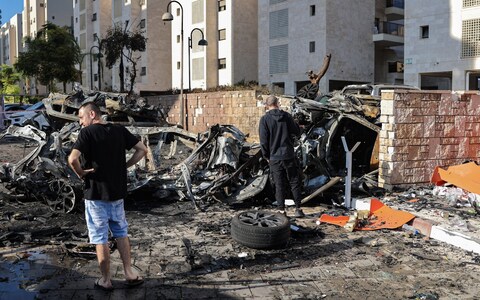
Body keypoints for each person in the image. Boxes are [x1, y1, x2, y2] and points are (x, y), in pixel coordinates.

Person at [68, 102, 147, 291]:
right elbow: (143, 150)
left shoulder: (87, 133)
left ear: (92, 114)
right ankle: (129, 273)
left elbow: (72, 158)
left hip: (95, 195)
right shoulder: (119, 130)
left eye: (81, 117)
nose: (80, 122)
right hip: (117, 194)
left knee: (100, 237)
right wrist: (125, 166)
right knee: (121, 232)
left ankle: (105, 280)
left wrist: (80, 173)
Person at [259, 95, 305, 218]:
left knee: (279, 184)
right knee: (294, 181)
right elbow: (296, 131)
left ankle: (281, 211)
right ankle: (298, 209)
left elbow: (263, 140)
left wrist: (266, 156)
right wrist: (301, 128)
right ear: (278, 103)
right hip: (289, 155)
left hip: (274, 157)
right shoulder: (287, 116)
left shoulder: (264, 120)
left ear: (267, 105)